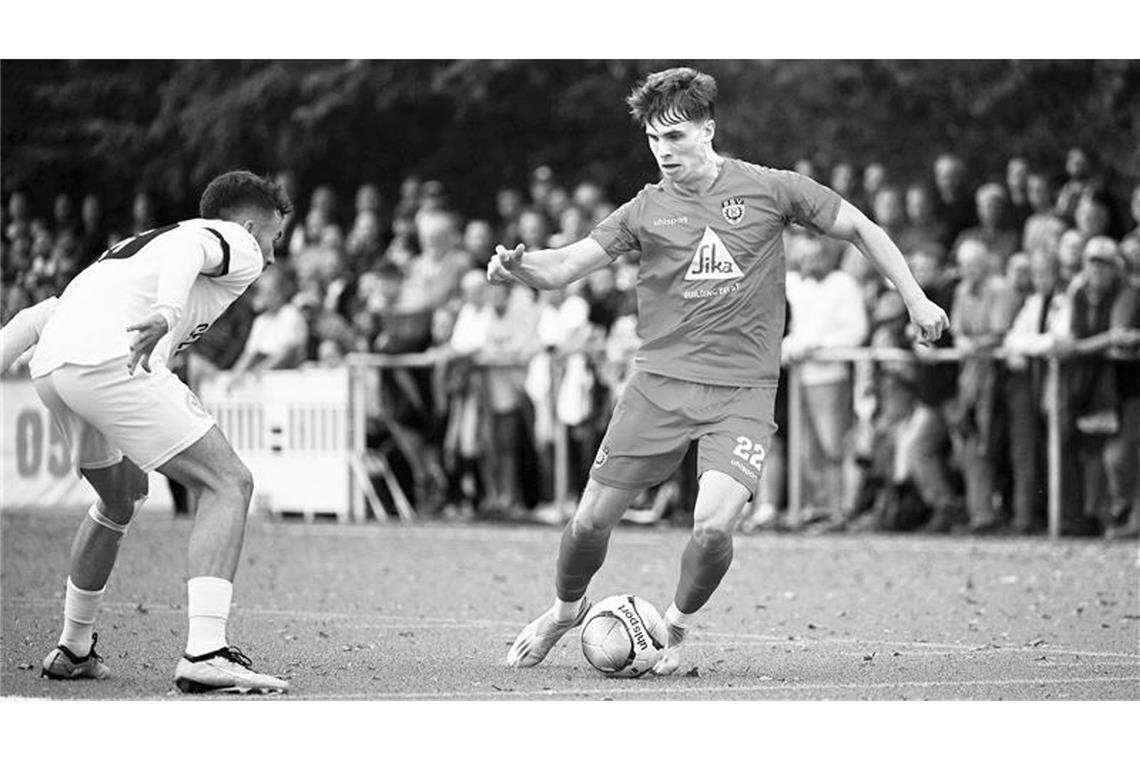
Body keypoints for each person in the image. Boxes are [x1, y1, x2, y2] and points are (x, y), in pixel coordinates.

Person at [487, 68, 948, 674]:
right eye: (654, 140)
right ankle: (564, 611)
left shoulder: (769, 188)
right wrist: (517, 267)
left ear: (708, 129)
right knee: (590, 519)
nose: (663, 151)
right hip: (658, 385)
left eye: (675, 136)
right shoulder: (645, 209)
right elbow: (565, 265)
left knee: (711, 527)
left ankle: (673, 630)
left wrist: (916, 298)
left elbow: (859, 227)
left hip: (743, 393)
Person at [25, 170, 292, 694]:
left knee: (121, 496)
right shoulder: (232, 240)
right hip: (114, 357)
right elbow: (189, 254)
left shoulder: (131, 249)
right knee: (228, 484)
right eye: (275, 237)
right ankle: (206, 651)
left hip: (56, 366)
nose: (273, 255)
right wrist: (167, 313)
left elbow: (41, 313)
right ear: (248, 222)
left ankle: (74, 647)